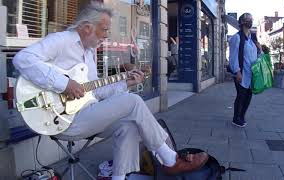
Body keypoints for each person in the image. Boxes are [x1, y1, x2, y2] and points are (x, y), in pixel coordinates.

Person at [12, 2, 208, 180]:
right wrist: (64, 84)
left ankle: (119, 177)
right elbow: (22, 59)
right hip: (61, 120)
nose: (106, 35)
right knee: (132, 102)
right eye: (104, 30)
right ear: (87, 28)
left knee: (129, 125)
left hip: (86, 114)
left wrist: (126, 83)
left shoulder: (88, 54)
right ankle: (170, 159)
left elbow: (96, 92)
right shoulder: (61, 40)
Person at [228, 13, 259, 128]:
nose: (249, 21)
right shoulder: (237, 38)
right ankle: (236, 118)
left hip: (252, 74)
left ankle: (242, 116)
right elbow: (233, 57)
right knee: (241, 95)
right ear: (241, 22)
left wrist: (260, 49)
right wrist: (237, 71)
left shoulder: (252, 38)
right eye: (247, 19)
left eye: (251, 19)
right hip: (242, 73)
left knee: (248, 96)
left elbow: (255, 55)